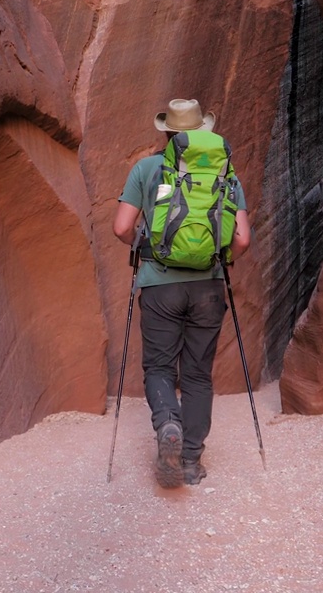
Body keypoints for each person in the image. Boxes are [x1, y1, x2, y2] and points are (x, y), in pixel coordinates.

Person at [112, 98, 251, 488]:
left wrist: (145, 245)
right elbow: (241, 238)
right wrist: (221, 259)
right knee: (198, 374)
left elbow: (121, 228)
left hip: (159, 285)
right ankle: (189, 460)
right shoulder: (226, 174)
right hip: (208, 287)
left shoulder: (147, 168)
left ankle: (167, 425)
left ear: (167, 131)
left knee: (158, 367)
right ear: (203, 130)